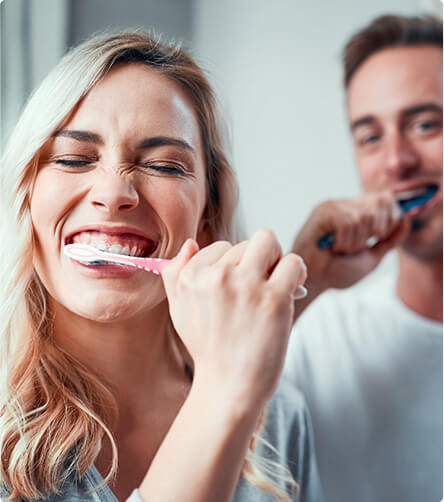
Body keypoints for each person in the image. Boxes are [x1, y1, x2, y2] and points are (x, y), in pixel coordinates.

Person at [0, 32, 324, 502]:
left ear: (207, 219)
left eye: (166, 166)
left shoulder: (278, 417)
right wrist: (221, 396)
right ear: (27, 197)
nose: (113, 194)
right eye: (72, 158)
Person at [284, 14, 442, 502]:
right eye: (371, 136)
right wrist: (295, 285)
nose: (397, 161)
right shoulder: (312, 337)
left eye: (425, 124)